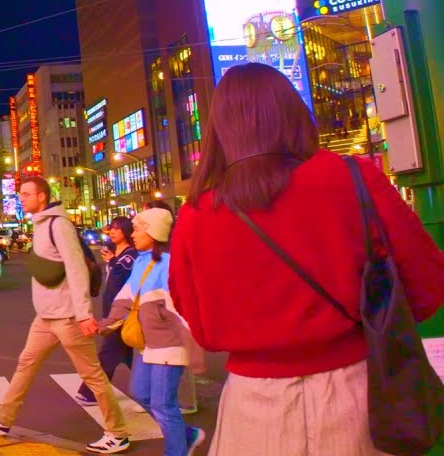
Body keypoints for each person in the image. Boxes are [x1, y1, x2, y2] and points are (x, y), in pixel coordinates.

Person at [170, 63, 444, 455]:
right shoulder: (352, 178)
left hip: (250, 409)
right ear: (293, 112)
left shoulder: (198, 213)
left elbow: (195, 318)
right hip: (357, 395)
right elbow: (427, 284)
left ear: (220, 130)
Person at [0, 175, 130, 454]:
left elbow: (77, 269)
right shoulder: (41, 224)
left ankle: (117, 433)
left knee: (92, 375)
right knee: (26, 364)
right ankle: (2, 419)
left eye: (26, 194)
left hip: (68, 316)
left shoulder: (59, 225)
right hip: (46, 316)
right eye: (20, 194)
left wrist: (83, 313)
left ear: (41, 196)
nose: (21, 198)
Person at [99, 209, 203, 456]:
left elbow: (181, 311)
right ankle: (188, 435)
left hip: (170, 344)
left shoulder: (168, 265)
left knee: (163, 405)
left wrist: (194, 349)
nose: (132, 234)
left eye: (137, 229)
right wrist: (104, 323)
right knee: (141, 393)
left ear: (153, 232)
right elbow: (126, 297)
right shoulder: (143, 260)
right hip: (148, 345)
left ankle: (177, 450)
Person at [142, 199, 199, 416]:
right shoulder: (154, 248)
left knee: (179, 357)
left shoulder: (170, 246)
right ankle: (173, 402)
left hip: (172, 309)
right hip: (158, 312)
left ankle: (183, 403)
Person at [75, 215, 138, 408]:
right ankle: (150, 388)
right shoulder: (116, 253)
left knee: (108, 352)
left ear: (126, 232)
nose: (112, 231)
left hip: (122, 312)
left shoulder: (130, 256)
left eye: (117, 229)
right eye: (111, 228)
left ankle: (90, 392)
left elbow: (121, 281)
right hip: (112, 310)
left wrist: (113, 262)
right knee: (128, 356)